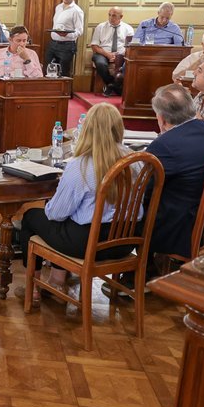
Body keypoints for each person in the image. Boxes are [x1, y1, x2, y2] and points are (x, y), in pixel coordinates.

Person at [17, 103, 138, 305]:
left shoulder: (81, 165)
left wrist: (52, 203)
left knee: (31, 217)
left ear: (87, 129)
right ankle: (56, 281)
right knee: (70, 219)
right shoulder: (137, 160)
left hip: (87, 244)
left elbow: (56, 214)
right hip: (126, 242)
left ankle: (34, 288)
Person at [145, 84, 204, 261]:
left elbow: (143, 186)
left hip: (178, 227)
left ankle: (140, 269)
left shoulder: (165, 145)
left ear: (162, 119)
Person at [0, 25, 42, 138]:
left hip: (18, 94)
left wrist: (26, 60)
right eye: (18, 41)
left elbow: (38, 78)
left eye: (24, 40)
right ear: (10, 40)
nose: (22, 44)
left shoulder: (31, 54)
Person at [89, 7, 132, 97]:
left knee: (129, 64)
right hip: (103, 53)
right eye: (109, 15)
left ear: (121, 17)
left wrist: (119, 55)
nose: (111, 18)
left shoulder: (128, 29)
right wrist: (108, 54)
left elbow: (130, 47)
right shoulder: (100, 27)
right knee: (100, 63)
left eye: (114, 15)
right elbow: (94, 46)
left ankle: (111, 86)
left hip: (122, 54)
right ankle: (113, 85)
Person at [46, 0, 84, 77]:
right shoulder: (58, 7)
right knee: (48, 70)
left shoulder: (77, 11)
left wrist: (66, 34)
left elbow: (79, 30)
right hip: (53, 43)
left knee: (63, 73)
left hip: (67, 46)